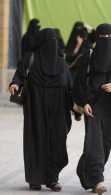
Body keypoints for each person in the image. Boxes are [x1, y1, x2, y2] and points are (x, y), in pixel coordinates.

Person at [9, 28, 72, 191]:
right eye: (48, 41)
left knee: (57, 142)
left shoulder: (61, 63)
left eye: (54, 40)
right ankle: (35, 178)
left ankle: (53, 179)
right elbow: (19, 75)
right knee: (35, 141)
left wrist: (76, 108)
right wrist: (15, 84)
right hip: (35, 109)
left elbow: (69, 87)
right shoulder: (31, 58)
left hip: (57, 111)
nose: (52, 44)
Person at [72, 23, 111, 194]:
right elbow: (79, 82)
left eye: (108, 37)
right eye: (102, 37)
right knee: (94, 143)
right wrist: (84, 103)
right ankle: (98, 180)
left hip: (110, 108)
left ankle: (85, 169)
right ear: (97, 38)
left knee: (105, 145)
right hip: (92, 107)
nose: (106, 41)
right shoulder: (88, 56)